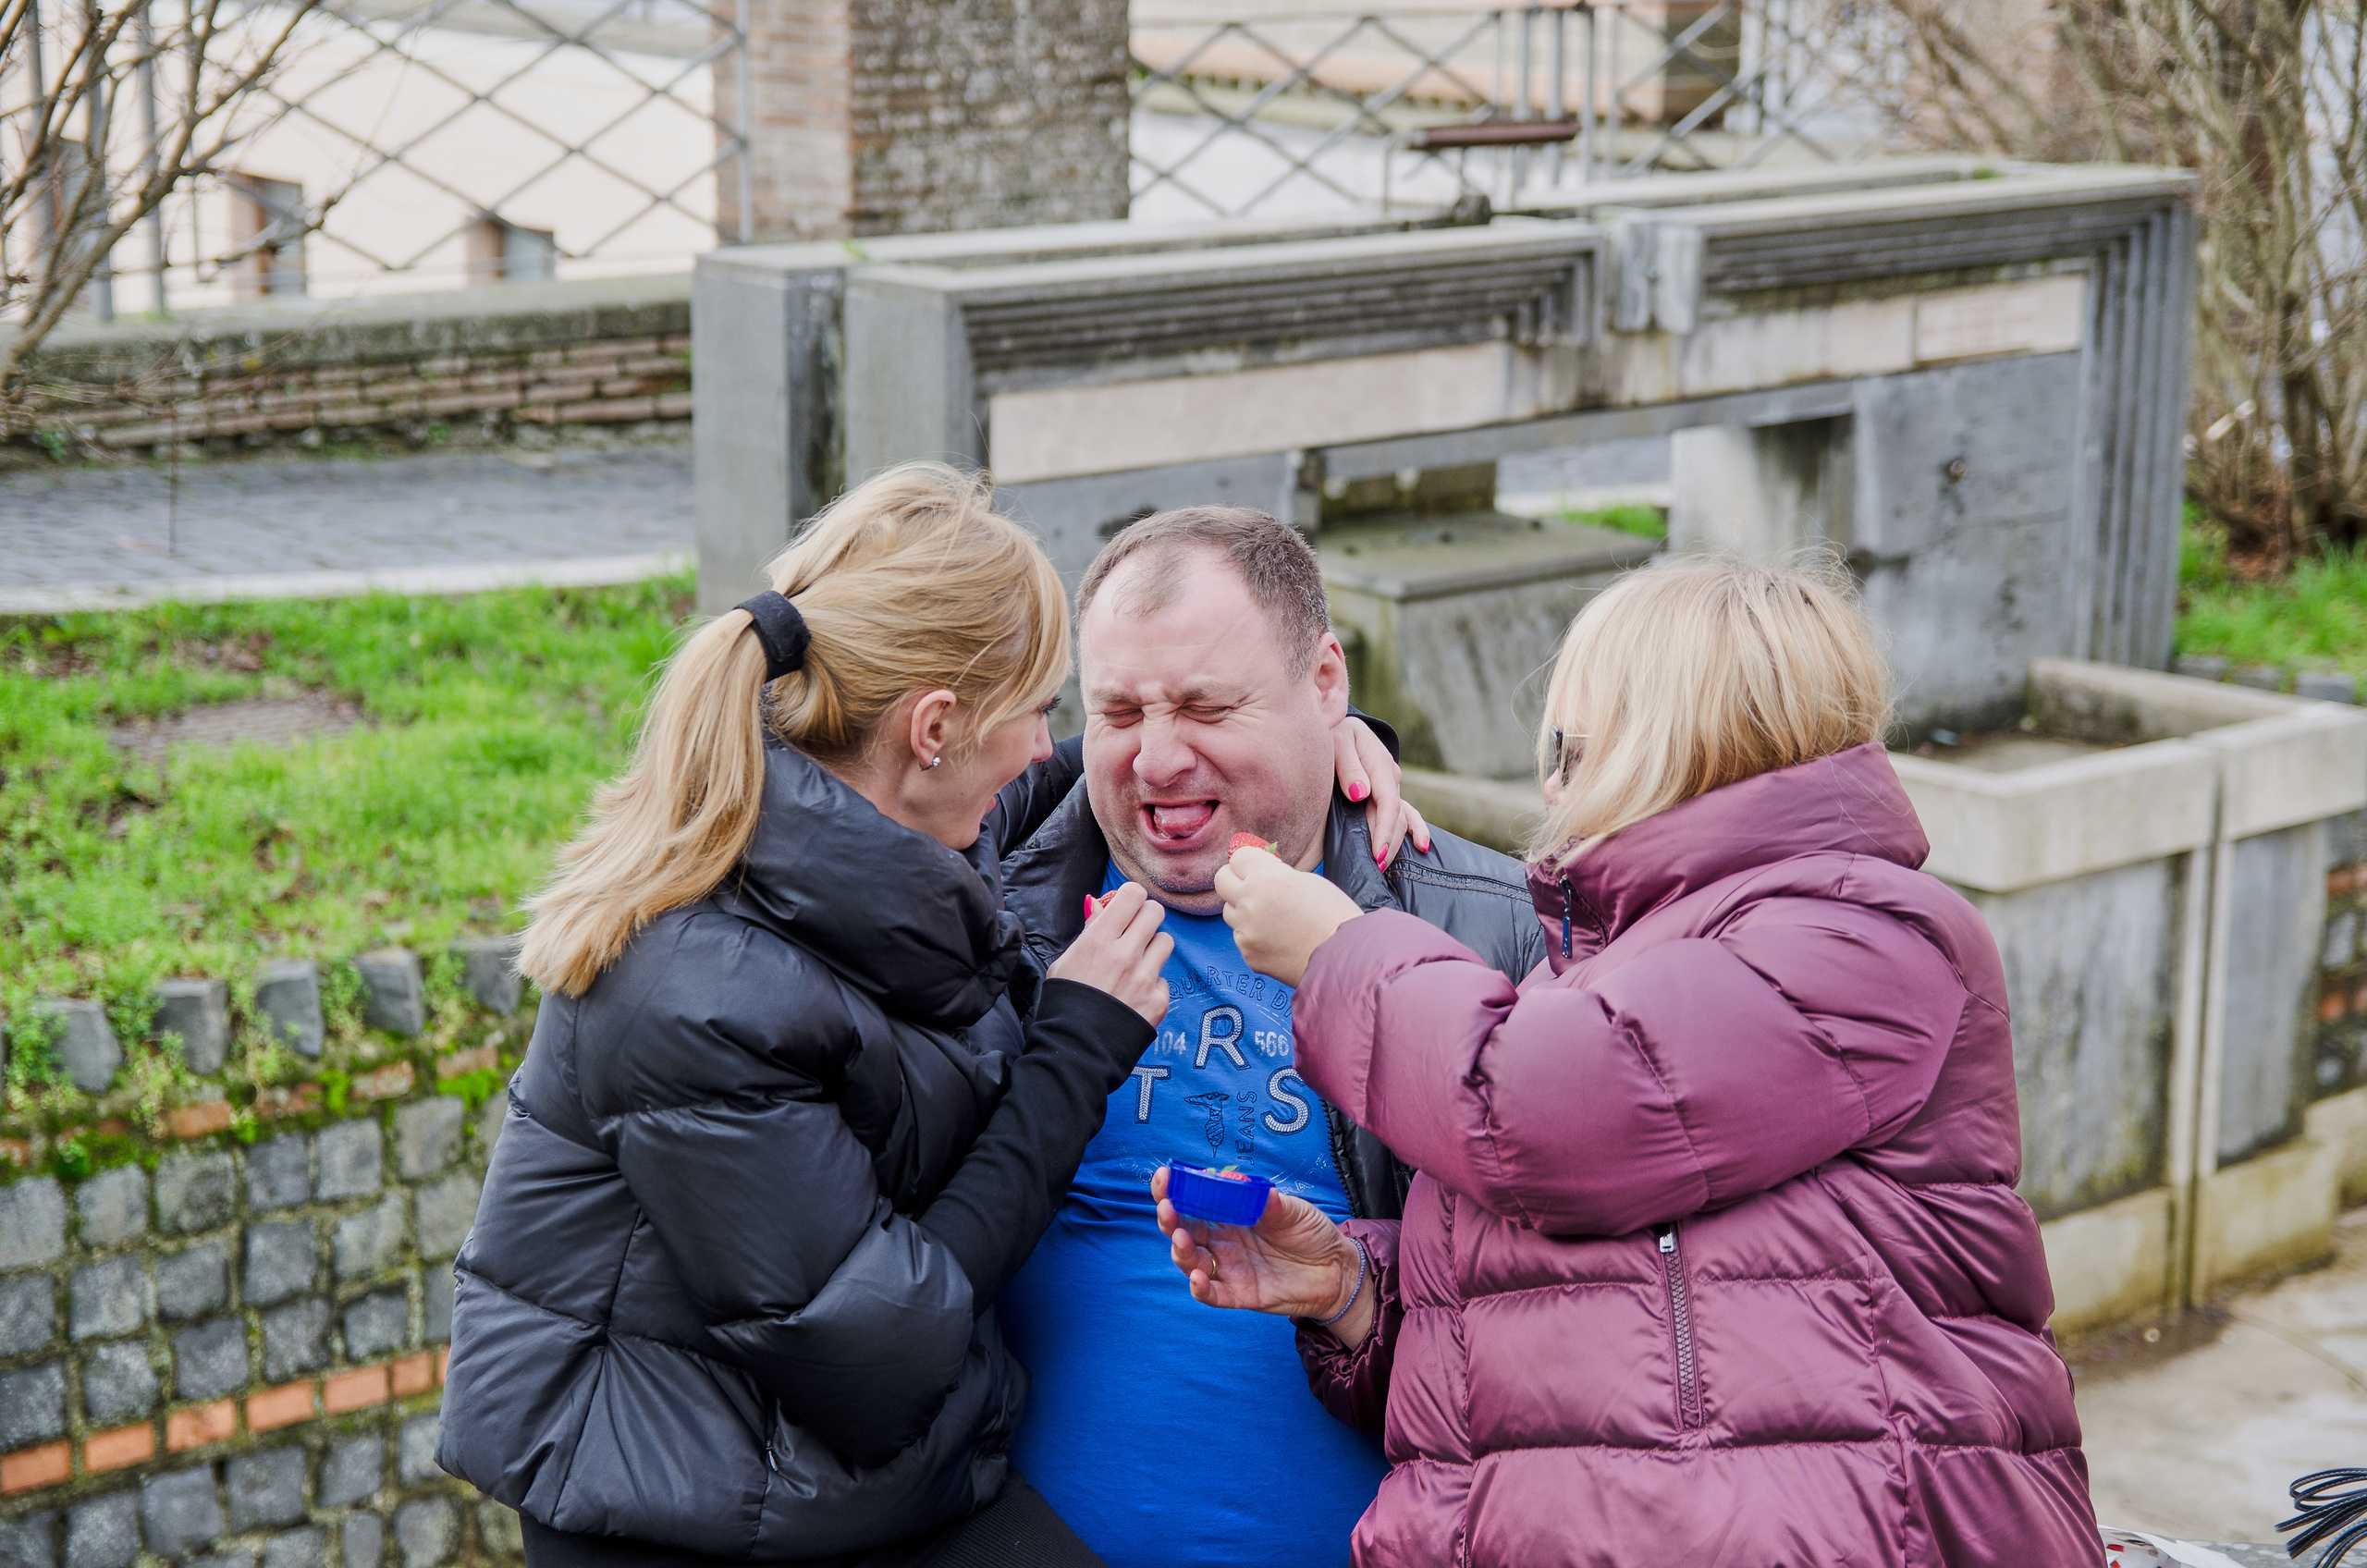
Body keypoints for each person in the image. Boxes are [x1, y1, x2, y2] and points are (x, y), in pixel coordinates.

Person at [1168, 555, 2106, 1567]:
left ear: (1667, 738)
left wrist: (1340, 951)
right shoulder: (1615, 970)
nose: (1548, 782)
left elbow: (1537, 1113)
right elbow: (1597, 1333)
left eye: (1567, 743)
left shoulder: (1860, 929)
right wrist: (1354, 1286)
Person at [436, 463, 1180, 1568]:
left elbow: (1053, 783)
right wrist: (1074, 1047)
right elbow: (877, 1348)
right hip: (686, 1513)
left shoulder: (852, 816)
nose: (1043, 746)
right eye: (1035, 710)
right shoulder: (695, 996)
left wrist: (1309, 739)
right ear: (932, 728)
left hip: (830, 1472)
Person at [991, 506, 1549, 1568]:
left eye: (1207, 705)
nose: (1156, 761)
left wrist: (1349, 1288)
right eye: (1118, 711)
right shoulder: (985, 910)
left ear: (1326, 683)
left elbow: (1583, 1331)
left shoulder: (1487, 928)